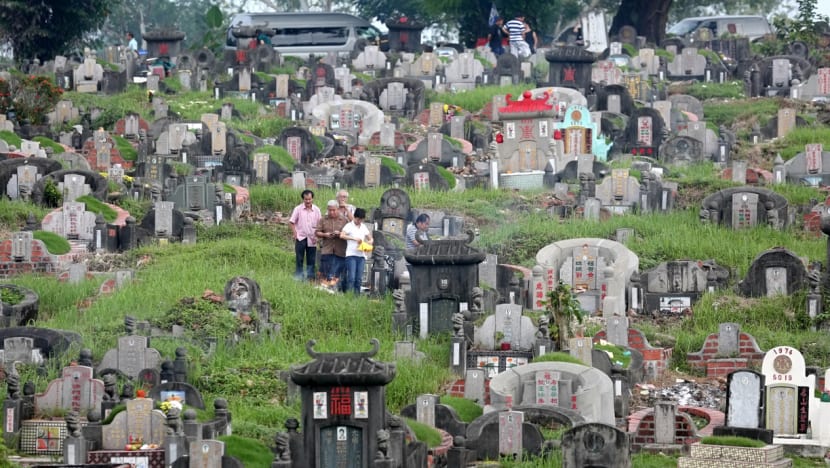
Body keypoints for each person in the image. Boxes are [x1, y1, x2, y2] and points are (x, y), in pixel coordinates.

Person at [289, 190, 321, 281]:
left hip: (312, 238)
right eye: (306, 199)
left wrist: (318, 236)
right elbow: (291, 222)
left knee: (311, 260)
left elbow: (320, 224)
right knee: (299, 259)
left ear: (312, 199)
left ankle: (310, 278)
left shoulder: (317, 210)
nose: (308, 201)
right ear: (303, 199)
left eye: (309, 199)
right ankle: (299, 278)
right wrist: (295, 234)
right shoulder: (298, 209)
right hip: (301, 238)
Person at [340, 208, 373, 294]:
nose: (359, 221)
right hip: (351, 255)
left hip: (361, 255)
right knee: (351, 277)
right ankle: (350, 295)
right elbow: (342, 235)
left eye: (361, 220)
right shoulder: (349, 226)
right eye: (358, 219)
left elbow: (371, 239)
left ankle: (357, 295)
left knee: (359, 278)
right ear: (355, 217)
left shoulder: (363, 227)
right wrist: (354, 238)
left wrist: (367, 242)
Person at [315, 200, 347, 287]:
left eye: (334, 210)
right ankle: (323, 288)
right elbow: (317, 232)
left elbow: (349, 234)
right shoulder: (323, 219)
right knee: (324, 271)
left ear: (338, 209)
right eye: (330, 210)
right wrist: (325, 234)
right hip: (327, 250)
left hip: (340, 250)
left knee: (337, 274)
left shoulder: (344, 220)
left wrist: (340, 234)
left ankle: (336, 289)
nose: (331, 212)